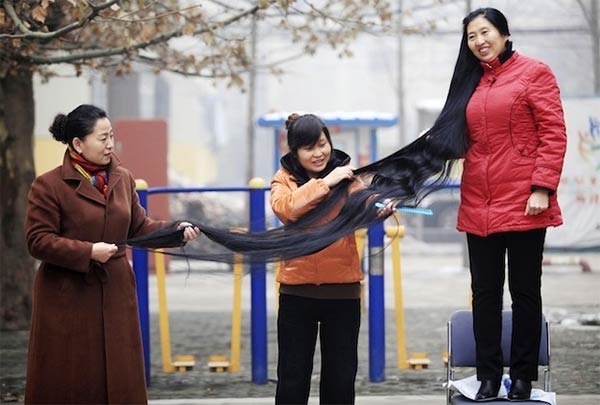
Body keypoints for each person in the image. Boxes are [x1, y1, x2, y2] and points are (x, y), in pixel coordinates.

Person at [24, 104, 200, 404]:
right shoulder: (49, 185)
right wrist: (88, 251)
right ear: (78, 144)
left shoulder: (122, 178)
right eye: (102, 138)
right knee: (71, 379)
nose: (110, 144)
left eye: (112, 136)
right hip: (68, 297)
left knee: (119, 377)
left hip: (115, 292)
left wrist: (175, 230)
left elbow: (140, 226)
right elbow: (38, 240)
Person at [446, 8, 567, 401]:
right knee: (484, 294)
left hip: (525, 202)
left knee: (525, 292)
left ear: (504, 33)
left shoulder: (534, 73)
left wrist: (542, 188)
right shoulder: (469, 83)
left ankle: (522, 377)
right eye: (471, 36)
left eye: (485, 32)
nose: (479, 41)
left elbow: (554, 133)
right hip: (479, 201)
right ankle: (487, 375)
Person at [270, 113, 392, 405]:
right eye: (309, 148)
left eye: (322, 144)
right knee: (292, 377)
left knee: (340, 378)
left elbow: (366, 203)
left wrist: (381, 207)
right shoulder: (283, 180)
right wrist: (326, 182)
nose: (319, 153)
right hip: (296, 293)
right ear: (295, 152)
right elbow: (286, 209)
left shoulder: (348, 178)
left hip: (343, 293)